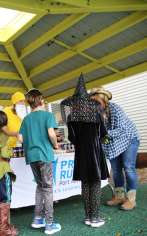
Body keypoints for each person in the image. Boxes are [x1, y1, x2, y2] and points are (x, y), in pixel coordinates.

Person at [61, 74, 110, 227]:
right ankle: (95, 217)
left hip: (81, 153)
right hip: (94, 151)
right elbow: (103, 133)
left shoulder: (71, 118)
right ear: (87, 101)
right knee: (94, 183)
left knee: (85, 184)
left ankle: (88, 216)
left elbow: (72, 139)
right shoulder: (95, 113)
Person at [89, 86, 141, 211]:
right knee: (116, 168)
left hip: (129, 138)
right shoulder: (95, 112)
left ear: (102, 99)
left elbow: (121, 129)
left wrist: (103, 133)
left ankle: (131, 200)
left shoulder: (115, 108)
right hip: (113, 142)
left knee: (128, 167)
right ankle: (118, 197)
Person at [17, 88, 61, 235]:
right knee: (48, 187)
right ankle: (49, 223)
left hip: (31, 156)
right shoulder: (48, 115)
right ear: (42, 101)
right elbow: (51, 134)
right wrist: (54, 144)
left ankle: (37, 218)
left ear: (30, 105)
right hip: (44, 154)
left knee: (40, 186)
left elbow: (20, 138)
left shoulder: (26, 119)